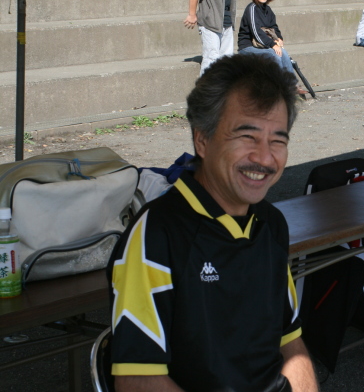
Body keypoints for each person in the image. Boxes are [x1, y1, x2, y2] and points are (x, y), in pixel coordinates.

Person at [109, 54, 318, 392]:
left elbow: (290, 343)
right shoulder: (157, 235)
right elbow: (137, 379)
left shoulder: (271, 223)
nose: (265, 157)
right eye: (247, 137)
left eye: (278, 140)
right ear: (202, 140)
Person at [237, 0, 307, 93]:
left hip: (262, 45)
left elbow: (274, 26)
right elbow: (256, 32)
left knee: (283, 53)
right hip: (248, 47)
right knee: (274, 55)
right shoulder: (251, 8)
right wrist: (272, 44)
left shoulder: (268, 10)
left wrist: (279, 38)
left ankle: (292, 85)